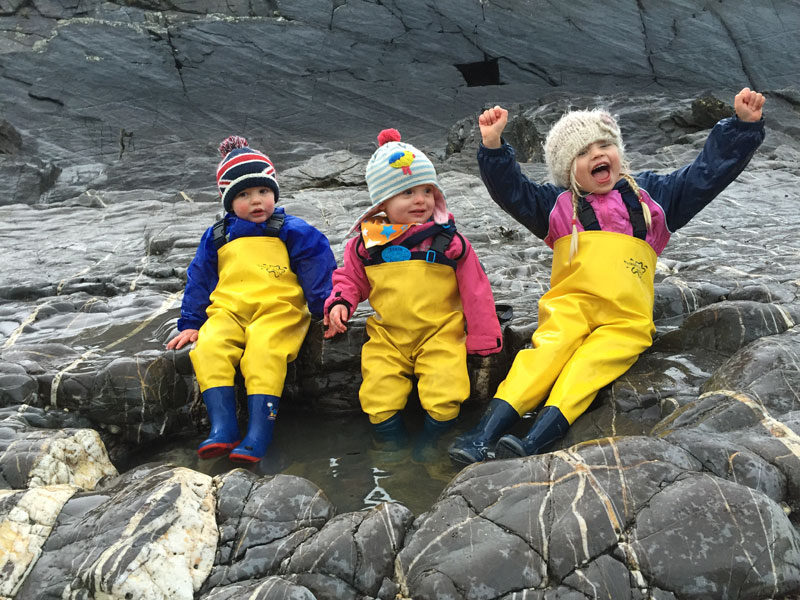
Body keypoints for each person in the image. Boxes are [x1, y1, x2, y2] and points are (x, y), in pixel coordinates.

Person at [449, 88, 766, 463]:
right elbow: (511, 191)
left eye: (605, 145)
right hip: (572, 307)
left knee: (589, 366)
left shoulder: (654, 197)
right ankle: (481, 435)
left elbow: (706, 174)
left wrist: (742, 127)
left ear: (618, 152)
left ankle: (534, 441)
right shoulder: (555, 205)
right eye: (583, 152)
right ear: (568, 170)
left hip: (625, 319)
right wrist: (493, 145)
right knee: (543, 356)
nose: (598, 154)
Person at [324, 128, 503, 450]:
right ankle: (390, 448)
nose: (420, 199)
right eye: (407, 193)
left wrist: (484, 337)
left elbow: (476, 290)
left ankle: (430, 445)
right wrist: (340, 303)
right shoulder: (367, 244)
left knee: (446, 390)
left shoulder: (449, 242)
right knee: (378, 393)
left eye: (426, 191)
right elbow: (350, 279)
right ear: (382, 205)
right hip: (389, 335)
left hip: (441, 332)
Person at [167, 136, 337, 463]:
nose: (256, 201)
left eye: (263, 191)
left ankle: (258, 435)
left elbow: (317, 264)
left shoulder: (290, 228)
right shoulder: (218, 235)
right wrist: (191, 323)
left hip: (278, 312)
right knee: (209, 347)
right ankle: (223, 429)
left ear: (274, 192)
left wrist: (324, 306)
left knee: (263, 352)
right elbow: (199, 278)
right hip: (228, 312)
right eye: (244, 195)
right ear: (228, 200)